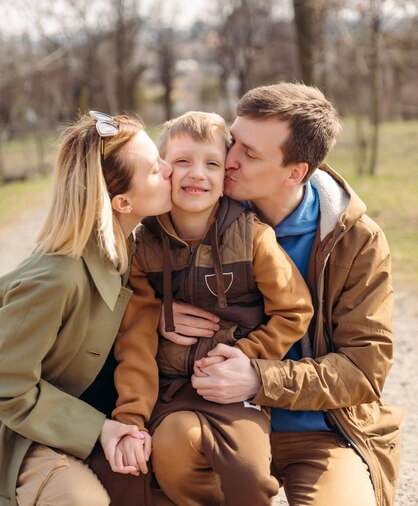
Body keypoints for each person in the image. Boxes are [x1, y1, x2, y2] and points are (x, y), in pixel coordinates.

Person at [154, 84, 405, 506]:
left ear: (296, 171)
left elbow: (364, 369)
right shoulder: (200, 210)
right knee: (173, 449)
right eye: (234, 141)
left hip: (324, 432)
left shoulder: (356, 240)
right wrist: (155, 316)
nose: (228, 160)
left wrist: (259, 378)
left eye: (250, 155)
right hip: (219, 420)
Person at [106, 111, 313, 506]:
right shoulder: (141, 247)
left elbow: (295, 309)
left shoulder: (252, 237)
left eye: (212, 163)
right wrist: (131, 416)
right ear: (163, 170)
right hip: (169, 390)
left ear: (225, 180)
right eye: (183, 161)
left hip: (236, 391)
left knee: (249, 474)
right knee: (172, 452)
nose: (197, 174)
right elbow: (134, 338)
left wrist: (246, 357)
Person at [0, 110, 174, 506]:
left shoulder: (130, 251)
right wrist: (100, 429)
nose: (168, 170)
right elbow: (7, 387)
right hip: (22, 438)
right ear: (122, 201)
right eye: (153, 169)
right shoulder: (56, 278)